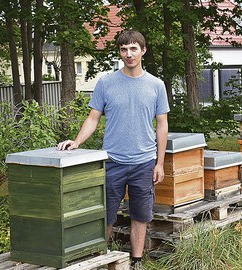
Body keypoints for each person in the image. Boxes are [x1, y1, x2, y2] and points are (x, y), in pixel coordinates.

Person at [57, 30, 169, 267]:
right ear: (119, 52)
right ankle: (100, 259)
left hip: (144, 162)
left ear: (143, 51)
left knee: (140, 216)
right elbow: (93, 118)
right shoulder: (106, 83)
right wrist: (77, 142)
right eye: (124, 49)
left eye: (133, 49)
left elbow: (162, 125)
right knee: (105, 215)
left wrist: (159, 163)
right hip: (112, 161)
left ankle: (136, 261)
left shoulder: (156, 85)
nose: (129, 54)